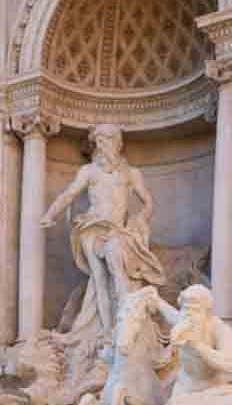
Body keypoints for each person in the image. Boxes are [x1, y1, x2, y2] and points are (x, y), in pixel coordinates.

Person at [41, 124, 165, 335]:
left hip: (117, 230)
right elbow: (69, 194)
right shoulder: (89, 171)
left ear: (117, 143)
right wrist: (50, 214)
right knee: (99, 279)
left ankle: (124, 326)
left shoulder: (131, 173)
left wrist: (140, 220)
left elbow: (147, 202)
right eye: (98, 141)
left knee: (117, 268)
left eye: (106, 140)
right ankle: (109, 333)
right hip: (92, 227)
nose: (101, 145)